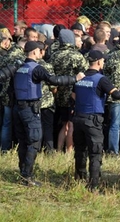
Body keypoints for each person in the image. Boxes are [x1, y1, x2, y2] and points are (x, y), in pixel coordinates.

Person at [13, 41, 84, 186]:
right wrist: (74, 79)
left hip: (17, 108)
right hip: (30, 109)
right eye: (41, 51)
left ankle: (23, 172)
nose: (42, 54)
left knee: (23, 142)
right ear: (34, 52)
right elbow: (53, 80)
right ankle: (28, 177)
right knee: (34, 141)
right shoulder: (36, 68)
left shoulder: (19, 67)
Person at [72, 50, 120, 191]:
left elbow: (73, 95)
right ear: (99, 62)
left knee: (80, 151)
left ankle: (79, 178)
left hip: (78, 117)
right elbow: (117, 95)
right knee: (95, 152)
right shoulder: (101, 79)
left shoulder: (80, 77)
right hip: (93, 120)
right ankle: (93, 184)